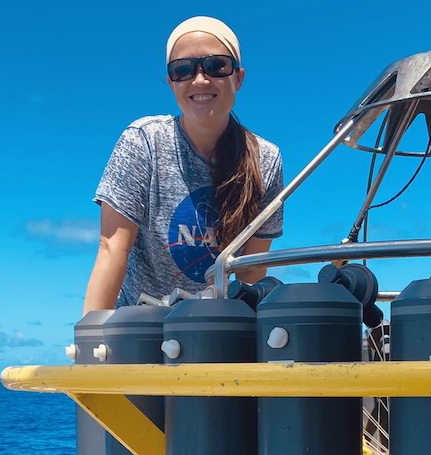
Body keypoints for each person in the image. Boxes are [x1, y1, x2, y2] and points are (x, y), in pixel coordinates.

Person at [82, 16, 284, 312]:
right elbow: (112, 248)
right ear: (171, 82)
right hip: (142, 329)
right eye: (183, 70)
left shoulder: (266, 159)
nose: (200, 80)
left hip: (220, 331)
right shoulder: (144, 142)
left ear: (238, 77)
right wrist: (92, 342)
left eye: (216, 66)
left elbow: (250, 274)